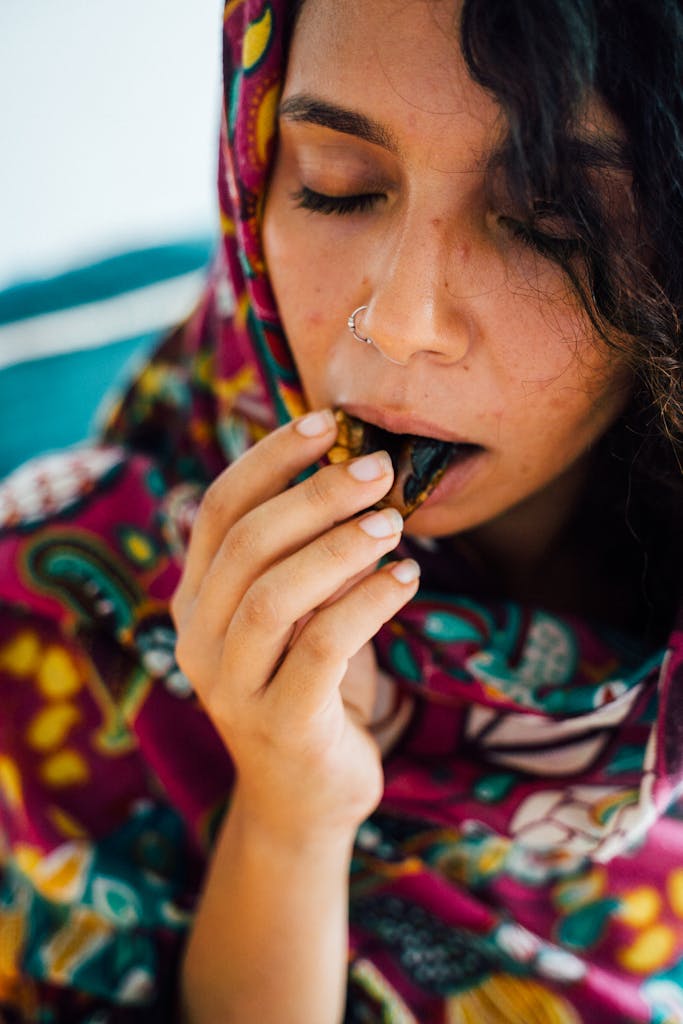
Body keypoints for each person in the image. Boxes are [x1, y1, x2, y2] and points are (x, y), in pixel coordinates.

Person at [1, 0, 682, 1021]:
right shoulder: (52, 607)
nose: (400, 321)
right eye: (337, 188)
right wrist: (289, 817)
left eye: (552, 219)